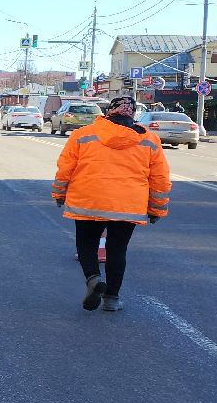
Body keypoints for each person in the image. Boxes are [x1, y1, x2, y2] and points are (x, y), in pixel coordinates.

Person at [52, 95, 170, 312]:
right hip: (128, 205)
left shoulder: (82, 135)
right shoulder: (149, 140)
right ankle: (111, 299)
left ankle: (93, 279)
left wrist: (59, 194)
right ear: (133, 115)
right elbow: (159, 178)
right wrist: (156, 209)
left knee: (87, 245)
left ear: (108, 112)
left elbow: (65, 169)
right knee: (118, 250)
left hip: (88, 200)